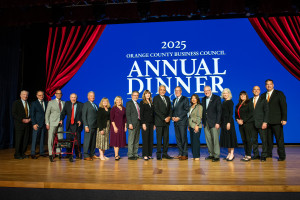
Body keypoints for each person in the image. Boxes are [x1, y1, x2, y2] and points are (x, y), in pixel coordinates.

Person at [261, 79, 287, 161]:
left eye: (270, 84)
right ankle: (269, 153)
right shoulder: (262, 95)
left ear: (273, 85)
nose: (269, 86)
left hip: (277, 121)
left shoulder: (279, 94)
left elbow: (284, 107)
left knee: (279, 139)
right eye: (267, 84)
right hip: (267, 122)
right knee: (268, 140)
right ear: (265, 86)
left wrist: (284, 119)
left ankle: (282, 156)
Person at [60, 93, 83, 159]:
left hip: (77, 125)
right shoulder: (67, 104)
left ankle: (77, 153)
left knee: (77, 141)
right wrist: (61, 119)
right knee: (68, 140)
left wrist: (80, 120)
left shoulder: (81, 105)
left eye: (74, 97)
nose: (73, 99)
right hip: (69, 125)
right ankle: (69, 154)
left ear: (76, 98)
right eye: (72, 97)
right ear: (70, 98)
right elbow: (63, 113)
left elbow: (83, 115)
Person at [202, 85, 222, 162]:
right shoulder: (203, 99)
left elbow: (219, 111)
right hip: (206, 123)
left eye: (208, 90)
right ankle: (211, 154)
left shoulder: (216, 98)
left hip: (214, 122)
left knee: (215, 139)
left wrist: (218, 122)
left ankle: (216, 155)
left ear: (210, 90)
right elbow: (204, 111)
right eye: (205, 91)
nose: (206, 92)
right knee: (208, 139)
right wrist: (203, 121)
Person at [153, 85, 173, 160]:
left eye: (164, 90)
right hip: (159, 121)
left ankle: (165, 153)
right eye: (161, 90)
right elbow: (156, 110)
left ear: (165, 91)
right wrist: (164, 118)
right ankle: (158, 154)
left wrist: (169, 117)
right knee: (159, 139)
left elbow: (170, 109)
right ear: (158, 90)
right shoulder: (156, 98)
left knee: (166, 139)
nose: (162, 91)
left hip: (167, 122)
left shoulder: (167, 98)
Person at [250, 86, 269, 162]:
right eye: (254, 89)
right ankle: (256, 154)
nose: (256, 91)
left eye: (258, 89)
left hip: (261, 123)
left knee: (264, 140)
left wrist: (265, 122)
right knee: (254, 140)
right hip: (252, 124)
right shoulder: (249, 100)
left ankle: (264, 155)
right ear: (252, 91)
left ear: (260, 91)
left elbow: (266, 112)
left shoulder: (263, 100)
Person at [45, 89, 65, 162]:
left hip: (60, 123)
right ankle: (50, 153)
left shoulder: (64, 103)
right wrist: (47, 123)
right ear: (55, 94)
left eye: (60, 93)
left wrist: (62, 120)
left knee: (60, 138)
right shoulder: (51, 102)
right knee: (51, 138)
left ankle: (58, 152)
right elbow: (47, 113)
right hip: (52, 122)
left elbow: (63, 113)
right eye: (57, 93)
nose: (59, 94)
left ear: (61, 95)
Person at [235, 91, 254, 162]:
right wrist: (237, 120)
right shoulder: (238, 105)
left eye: (243, 95)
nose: (242, 96)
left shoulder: (249, 103)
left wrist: (243, 120)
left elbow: (251, 114)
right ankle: (246, 154)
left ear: (246, 96)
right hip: (240, 124)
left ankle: (249, 155)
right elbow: (236, 115)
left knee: (248, 139)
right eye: (241, 95)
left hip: (248, 123)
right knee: (244, 139)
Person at [12, 90, 31, 159]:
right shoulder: (16, 103)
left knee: (25, 140)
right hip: (19, 124)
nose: (25, 96)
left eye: (26, 95)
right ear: (20, 95)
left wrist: (30, 119)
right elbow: (14, 114)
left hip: (27, 124)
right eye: (23, 94)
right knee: (19, 140)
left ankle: (23, 153)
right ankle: (17, 154)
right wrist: (22, 119)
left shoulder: (29, 103)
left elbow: (30, 113)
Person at [219, 88, 238, 161]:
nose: (225, 94)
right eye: (224, 93)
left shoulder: (230, 102)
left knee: (230, 138)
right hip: (223, 122)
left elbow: (231, 113)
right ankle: (229, 153)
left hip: (228, 122)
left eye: (226, 93)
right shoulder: (223, 102)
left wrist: (228, 122)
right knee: (226, 138)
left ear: (229, 94)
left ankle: (232, 154)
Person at [172, 86, 189, 160]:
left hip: (182, 122)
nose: (177, 92)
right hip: (175, 122)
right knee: (178, 138)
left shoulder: (185, 99)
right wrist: (172, 117)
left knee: (183, 138)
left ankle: (185, 154)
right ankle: (180, 153)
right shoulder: (174, 100)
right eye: (176, 90)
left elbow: (186, 110)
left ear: (181, 91)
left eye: (178, 90)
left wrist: (179, 117)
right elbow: (173, 110)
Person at [30, 91, 47, 159]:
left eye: (42, 95)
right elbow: (32, 114)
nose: (41, 96)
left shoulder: (46, 102)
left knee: (42, 139)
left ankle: (42, 152)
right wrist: (34, 123)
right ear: (37, 96)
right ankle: (33, 153)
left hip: (44, 124)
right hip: (37, 124)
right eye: (40, 95)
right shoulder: (34, 103)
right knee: (35, 139)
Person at [82, 91, 98, 161]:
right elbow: (84, 116)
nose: (92, 97)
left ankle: (92, 153)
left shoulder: (95, 105)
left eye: (93, 95)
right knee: (87, 141)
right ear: (88, 97)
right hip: (88, 126)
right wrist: (86, 126)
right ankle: (86, 155)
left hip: (95, 126)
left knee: (93, 141)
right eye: (91, 96)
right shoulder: (86, 104)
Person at [140, 90, 155, 161]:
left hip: (151, 123)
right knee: (145, 139)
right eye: (146, 94)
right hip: (145, 123)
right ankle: (145, 154)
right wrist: (143, 123)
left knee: (150, 139)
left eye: (149, 94)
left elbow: (153, 114)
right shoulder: (142, 102)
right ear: (144, 95)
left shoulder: (151, 102)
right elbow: (141, 114)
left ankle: (149, 154)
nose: (148, 95)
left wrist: (154, 123)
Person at [110, 96, 127, 161]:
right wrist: (114, 127)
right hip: (115, 126)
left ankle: (117, 154)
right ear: (115, 101)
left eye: (120, 100)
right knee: (116, 141)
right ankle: (116, 155)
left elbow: (125, 118)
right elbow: (112, 119)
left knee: (119, 141)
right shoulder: (113, 108)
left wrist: (125, 126)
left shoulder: (124, 108)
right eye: (117, 100)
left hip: (122, 126)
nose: (119, 101)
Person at [126, 91, 141, 160]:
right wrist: (130, 123)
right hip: (132, 124)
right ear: (132, 96)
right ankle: (130, 155)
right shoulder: (129, 103)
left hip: (138, 123)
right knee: (131, 140)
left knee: (136, 140)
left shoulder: (138, 104)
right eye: (134, 95)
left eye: (137, 95)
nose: (136, 96)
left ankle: (135, 154)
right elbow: (128, 114)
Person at [188, 94, 202, 161]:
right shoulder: (191, 107)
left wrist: (197, 125)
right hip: (191, 126)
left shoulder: (199, 106)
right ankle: (194, 155)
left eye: (195, 98)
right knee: (193, 142)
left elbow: (199, 117)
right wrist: (188, 125)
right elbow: (190, 117)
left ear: (197, 99)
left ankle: (197, 156)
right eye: (192, 98)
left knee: (196, 142)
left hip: (196, 126)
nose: (193, 99)